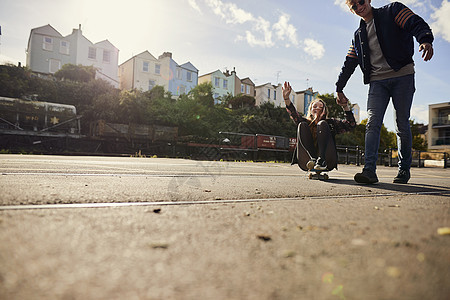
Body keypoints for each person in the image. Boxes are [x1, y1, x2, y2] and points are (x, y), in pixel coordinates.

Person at [336, 0, 434, 184]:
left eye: (361, 1)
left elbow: (415, 22)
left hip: (402, 76)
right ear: (351, 11)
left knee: (401, 125)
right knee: (372, 123)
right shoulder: (358, 36)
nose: (359, 7)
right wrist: (339, 88)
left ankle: (404, 170)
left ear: (369, 0)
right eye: (354, 6)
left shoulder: (393, 10)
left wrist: (425, 40)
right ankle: (369, 171)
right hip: (377, 82)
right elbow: (349, 63)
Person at [283, 81, 356, 172]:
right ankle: (314, 159)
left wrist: (345, 107)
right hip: (306, 160)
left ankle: (321, 160)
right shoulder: (305, 122)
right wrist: (286, 98)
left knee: (322, 124)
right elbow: (294, 114)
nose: (318, 108)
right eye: (315, 106)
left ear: (324, 111)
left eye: (321, 107)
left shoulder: (331, 123)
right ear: (310, 110)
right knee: (301, 125)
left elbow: (351, 125)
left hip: (328, 159)